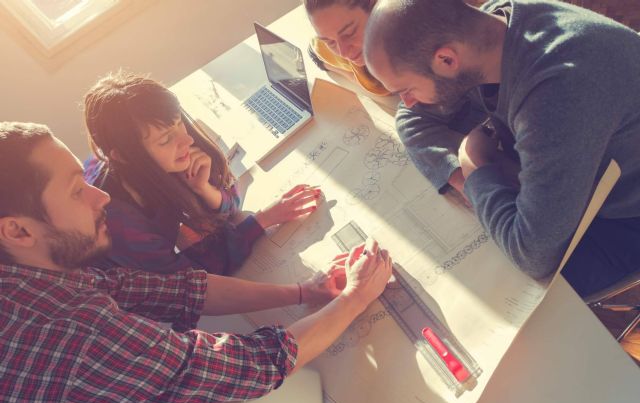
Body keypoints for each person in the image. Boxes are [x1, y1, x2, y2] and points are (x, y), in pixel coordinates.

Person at [0, 121, 393, 403]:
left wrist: (305, 291)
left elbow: (181, 291)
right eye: (75, 191)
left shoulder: (34, 275)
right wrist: (354, 298)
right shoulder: (74, 335)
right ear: (17, 230)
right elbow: (251, 366)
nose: (100, 196)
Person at [363, 0, 640, 300]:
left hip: (624, 221)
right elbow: (411, 119)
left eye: (406, 89)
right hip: (590, 169)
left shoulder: (556, 96)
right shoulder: (492, 25)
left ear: (445, 60)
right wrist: (469, 184)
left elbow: (532, 256)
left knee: (515, 295)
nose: (408, 101)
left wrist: (475, 169)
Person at [83, 71, 320, 276]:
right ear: (124, 156)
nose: (186, 139)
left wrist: (205, 190)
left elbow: (231, 201)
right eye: (166, 139)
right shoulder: (120, 221)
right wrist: (261, 221)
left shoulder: (162, 159)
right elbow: (194, 277)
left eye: (179, 123)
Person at [304, 0, 391, 96]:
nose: (343, 53)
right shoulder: (333, 48)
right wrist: (354, 77)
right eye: (330, 42)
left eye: (349, 33)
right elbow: (314, 54)